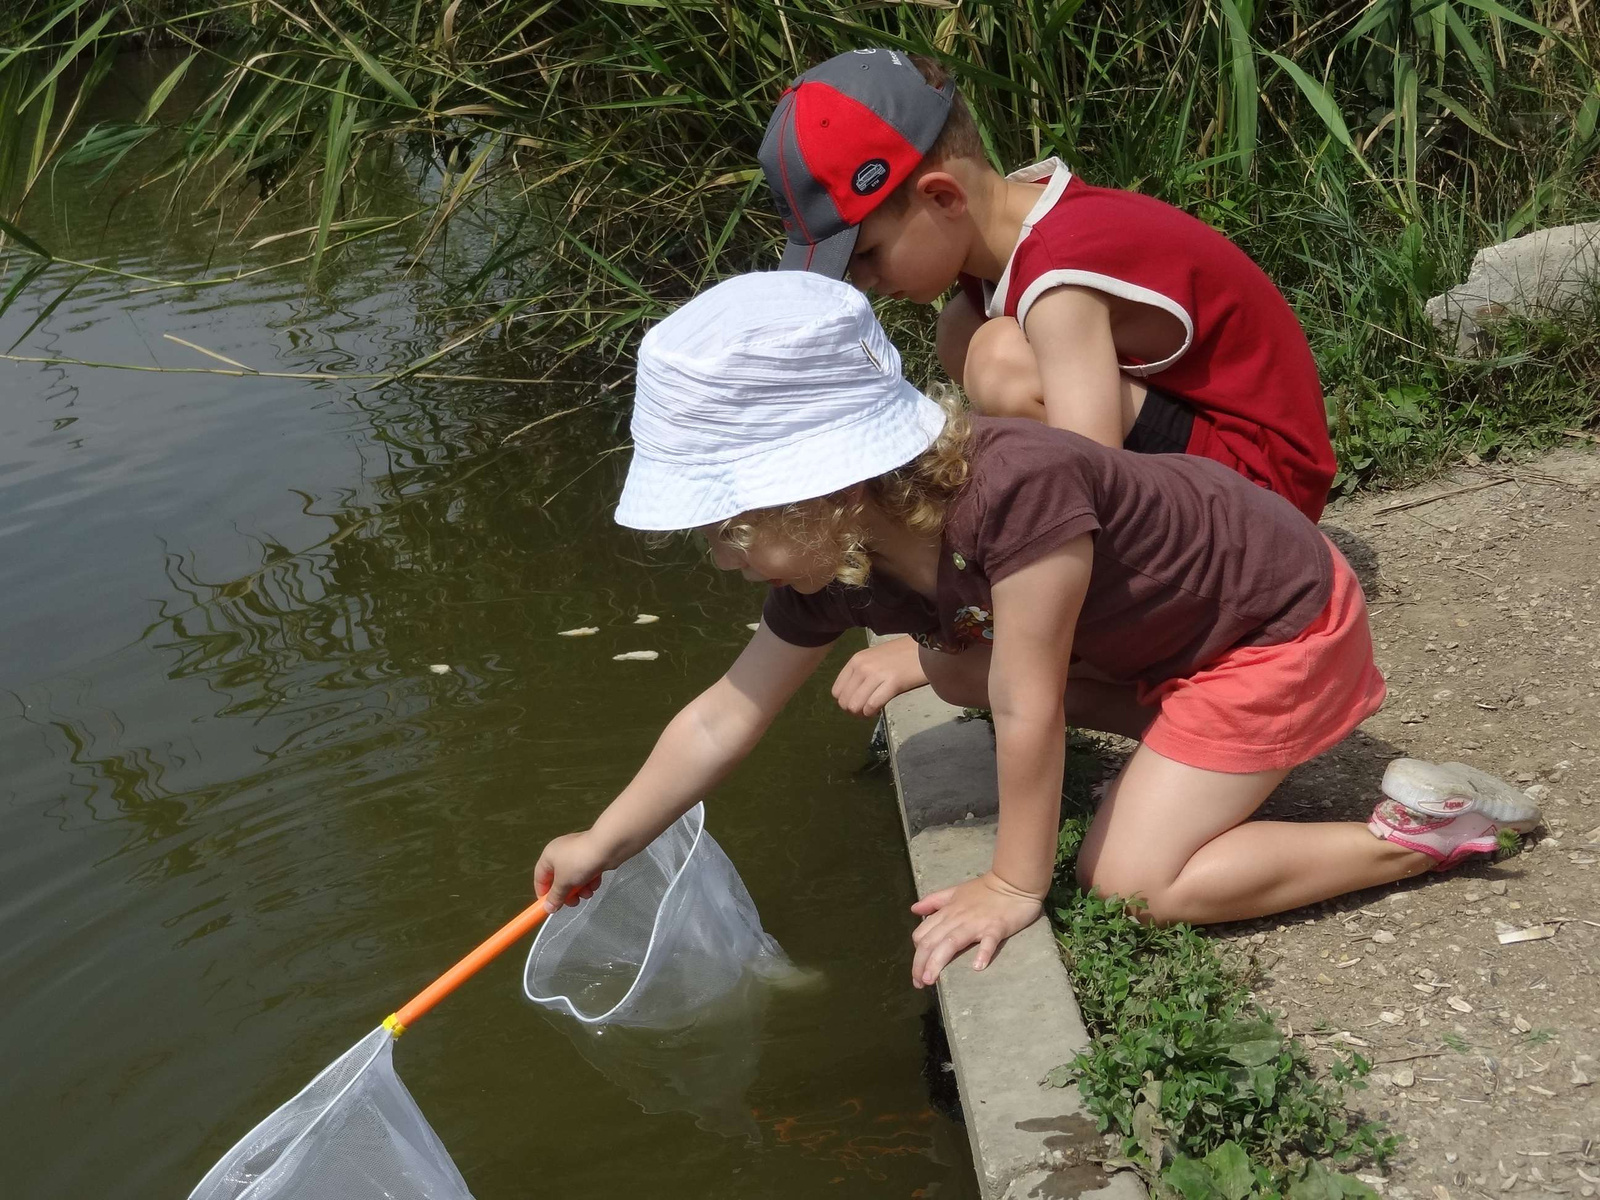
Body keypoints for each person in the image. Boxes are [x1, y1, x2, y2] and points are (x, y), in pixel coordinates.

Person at [533, 271, 1539, 988]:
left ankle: (1429, 836)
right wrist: (607, 840)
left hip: (1276, 628)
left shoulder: (1016, 489)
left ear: (822, 486)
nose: (723, 553)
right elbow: (724, 714)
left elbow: (1031, 701)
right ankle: (1197, 756)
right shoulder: (839, 558)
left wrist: (1017, 882)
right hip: (1176, 642)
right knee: (959, 674)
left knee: (1130, 886)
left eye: (731, 523)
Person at [758, 48, 1339, 713]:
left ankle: (1155, 658)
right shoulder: (1014, 233)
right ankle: (1174, 713)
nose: (863, 281)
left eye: (865, 254)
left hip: (1267, 496)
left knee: (1000, 361)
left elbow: (1086, 479)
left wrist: (952, 628)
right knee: (965, 332)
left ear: (942, 196)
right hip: (1217, 470)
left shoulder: (1058, 280)